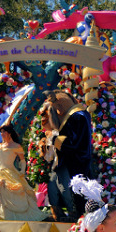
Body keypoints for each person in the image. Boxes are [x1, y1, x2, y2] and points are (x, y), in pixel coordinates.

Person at [41, 90, 93, 221]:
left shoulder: (78, 116)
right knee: (53, 188)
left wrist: (54, 139)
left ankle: (76, 216)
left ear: (59, 107)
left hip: (76, 163)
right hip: (65, 163)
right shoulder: (73, 117)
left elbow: (72, 144)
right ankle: (60, 215)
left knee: (69, 191)